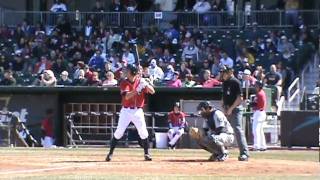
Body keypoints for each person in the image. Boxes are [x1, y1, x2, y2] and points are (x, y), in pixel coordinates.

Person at [106, 64, 155, 161]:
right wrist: (137, 89)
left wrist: (146, 84)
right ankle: (110, 153)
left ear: (132, 72)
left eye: (127, 71)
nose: (125, 72)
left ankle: (147, 154)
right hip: (126, 111)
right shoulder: (124, 82)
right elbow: (127, 96)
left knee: (143, 133)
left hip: (138, 110)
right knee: (119, 132)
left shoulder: (140, 81)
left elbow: (152, 91)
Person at [220, 65, 249, 161]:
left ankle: (244, 153)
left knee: (237, 129)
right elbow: (224, 96)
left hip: (236, 108)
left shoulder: (235, 82)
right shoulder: (224, 83)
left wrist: (231, 109)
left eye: (224, 72)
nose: (222, 74)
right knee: (223, 130)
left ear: (229, 72)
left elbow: (240, 98)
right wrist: (224, 107)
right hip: (227, 108)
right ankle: (222, 153)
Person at [250, 81, 267, 151]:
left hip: (259, 112)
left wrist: (250, 103)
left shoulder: (260, 94)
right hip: (261, 113)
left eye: (256, 86)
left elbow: (259, 105)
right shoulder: (260, 93)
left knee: (256, 130)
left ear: (259, 86)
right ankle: (263, 146)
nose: (255, 87)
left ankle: (257, 146)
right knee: (260, 131)